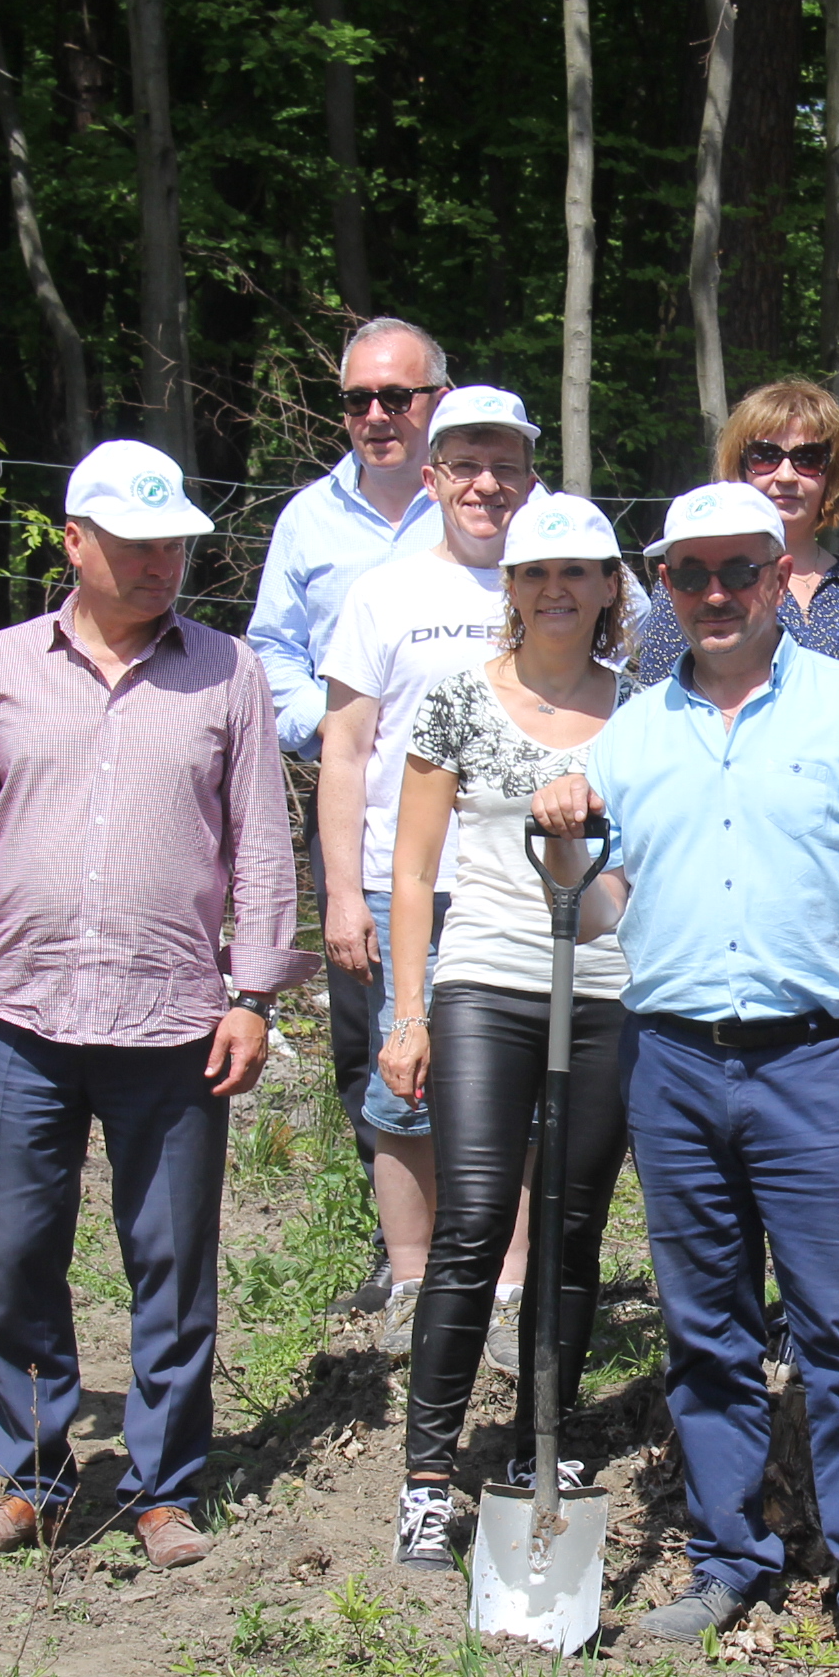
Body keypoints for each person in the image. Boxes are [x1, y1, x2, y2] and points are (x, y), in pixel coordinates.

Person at [527, 480, 839, 1667]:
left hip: (823, 1057)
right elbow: (601, 914)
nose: (716, 594)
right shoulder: (630, 734)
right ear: (662, 585)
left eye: (738, 570)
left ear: (777, 574)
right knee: (703, 1328)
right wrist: (565, 849)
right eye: (690, 574)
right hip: (673, 1060)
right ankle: (728, 1561)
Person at [0, 441, 315, 1571]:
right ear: (75, 543)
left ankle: (163, 1490)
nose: (160, 564)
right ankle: (32, 1482)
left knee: (172, 1264)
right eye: (136, 546)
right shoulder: (0, 666)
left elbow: (262, 843)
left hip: (173, 1018)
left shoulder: (226, 672)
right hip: (22, 1011)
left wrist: (254, 996)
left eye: (174, 545)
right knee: (20, 1257)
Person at [379, 492, 641, 1572]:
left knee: (574, 1228)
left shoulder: (645, 711)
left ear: (611, 586)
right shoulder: (457, 700)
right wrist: (407, 1012)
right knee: (477, 1217)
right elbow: (412, 870)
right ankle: (427, 1475)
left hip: (607, 986)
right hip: (486, 980)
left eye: (578, 572)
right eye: (536, 572)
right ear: (511, 587)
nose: (556, 590)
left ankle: (546, 1443)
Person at [316, 386, 553, 1357]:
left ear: (531, 480)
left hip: (526, 884)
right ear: (432, 478)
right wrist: (342, 892)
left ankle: (510, 1291)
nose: (485, 485)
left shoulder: (554, 589)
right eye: (465, 466)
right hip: (400, 882)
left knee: (521, 1098)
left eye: (504, 466)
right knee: (404, 1087)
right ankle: (413, 1284)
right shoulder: (384, 595)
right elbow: (344, 749)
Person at [249, 319, 451, 1254]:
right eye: (357, 399)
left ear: (437, 400)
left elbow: (608, 618)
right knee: (366, 1038)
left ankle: (494, 1251)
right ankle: (397, 1248)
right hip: (358, 816)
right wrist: (327, 724)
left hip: (481, 824)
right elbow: (271, 648)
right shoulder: (309, 519)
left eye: (396, 397)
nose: (376, 416)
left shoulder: (486, 503)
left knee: (485, 1031)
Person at [630, 378, 839, 699]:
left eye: (809, 458)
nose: (786, 475)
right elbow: (659, 708)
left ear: (831, 474)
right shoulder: (691, 587)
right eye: (765, 456)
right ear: (740, 467)